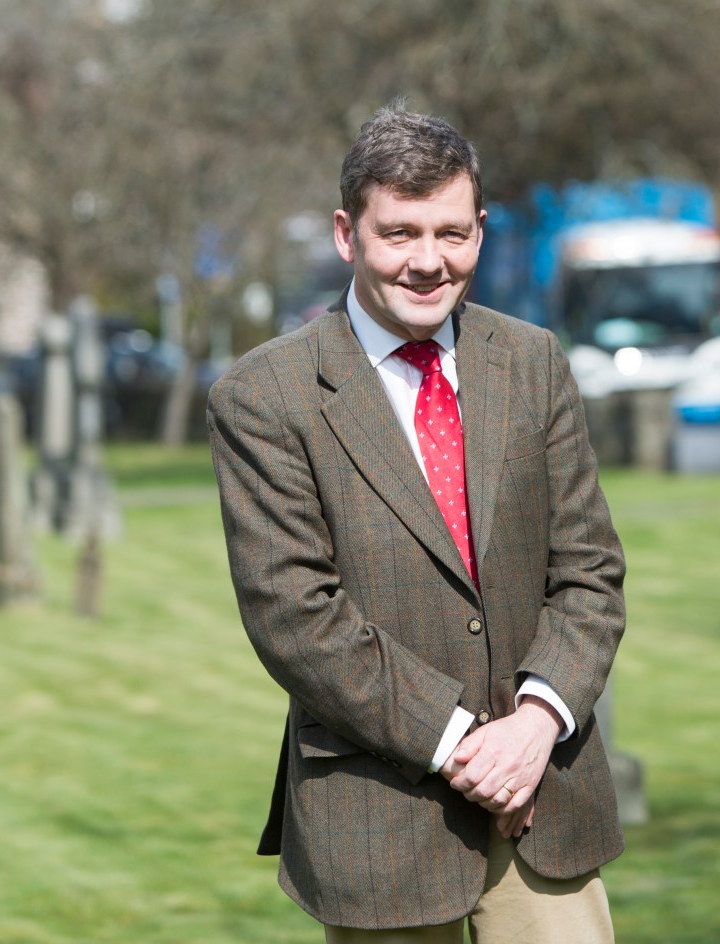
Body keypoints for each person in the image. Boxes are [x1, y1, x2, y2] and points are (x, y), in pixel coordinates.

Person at [208, 102, 627, 944]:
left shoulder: (533, 361)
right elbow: (297, 618)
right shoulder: (264, 398)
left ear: (481, 229)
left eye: (453, 233)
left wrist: (537, 724)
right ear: (345, 233)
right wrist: (470, 746)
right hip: (379, 817)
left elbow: (589, 572)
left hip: (542, 803)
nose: (430, 263)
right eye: (400, 234)